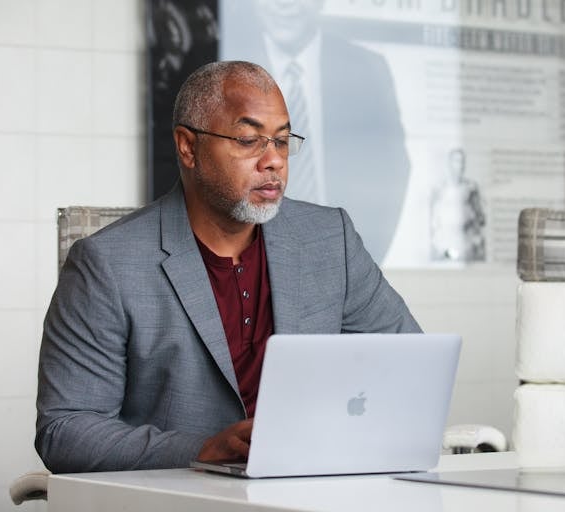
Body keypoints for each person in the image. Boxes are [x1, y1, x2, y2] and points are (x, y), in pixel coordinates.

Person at [35, 61, 422, 473]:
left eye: (282, 140)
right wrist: (203, 449)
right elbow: (65, 430)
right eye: (248, 139)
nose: (273, 161)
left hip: (312, 483)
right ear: (188, 146)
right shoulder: (107, 264)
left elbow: (409, 364)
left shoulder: (329, 238)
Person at [221, 0, 410, 265]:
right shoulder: (220, 72)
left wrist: (360, 264)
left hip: (338, 264)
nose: (285, 5)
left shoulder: (367, 69)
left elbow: (392, 172)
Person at [430, 149, 486, 261]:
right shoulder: (439, 188)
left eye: (462, 161)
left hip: (466, 245)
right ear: (449, 163)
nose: (460, 165)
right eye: (457, 161)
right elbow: (432, 220)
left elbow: (480, 218)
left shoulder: (471, 188)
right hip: (443, 244)